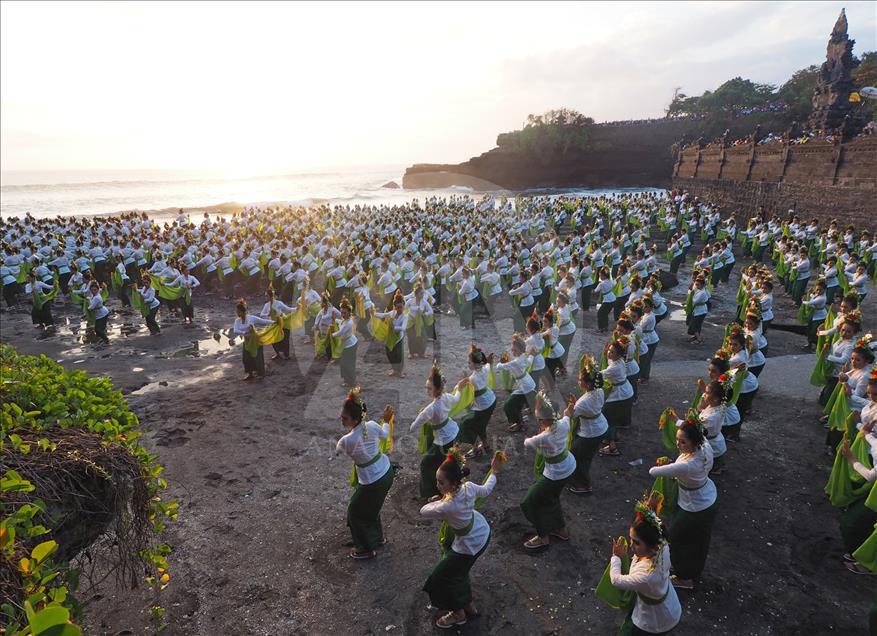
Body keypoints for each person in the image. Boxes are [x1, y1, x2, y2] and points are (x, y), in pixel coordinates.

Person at [420, 451, 504, 629]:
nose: (438, 485)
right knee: (459, 573)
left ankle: (458, 614)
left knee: (440, 579)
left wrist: (438, 500)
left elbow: (424, 511)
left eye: (441, 482)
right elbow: (487, 489)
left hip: (468, 545)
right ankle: (469, 607)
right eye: (437, 481)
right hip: (481, 531)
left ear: (453, 482)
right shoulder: (469, 487)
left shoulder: (448, 505)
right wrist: (494, 471)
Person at [648, 420, 718, 591]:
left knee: (676, 538)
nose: (678, 444)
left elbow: (653, 472)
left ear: (694, 441)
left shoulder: (688, 464)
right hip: (706, 496)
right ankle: (691, 569)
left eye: (682, 441)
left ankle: (685, 576)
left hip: (696, 506)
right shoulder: (705, 446)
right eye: (678, 439)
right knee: (698, 540)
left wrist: (664, 466)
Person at [608, 496, 682, 635]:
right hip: (667, 604)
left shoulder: (646, 576)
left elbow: (616, 580)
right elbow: (654, 526)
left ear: (652, 547)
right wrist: (651, 510)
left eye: (636, 542)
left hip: (654, 621)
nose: (631, 545)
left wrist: (616, 558)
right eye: (631, 539)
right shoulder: (661, 543)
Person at [335, 391, 394, 560]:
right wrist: (387, 420)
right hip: (387, 473)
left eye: (345, 418)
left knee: (355, 511)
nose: (342, 420)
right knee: (372, 508)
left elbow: (338, 451)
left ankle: (365, 548)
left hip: (371, 481)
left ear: (355, 419)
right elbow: (385, 432)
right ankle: (377, 538)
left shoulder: (346, 440)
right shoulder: (373, 425)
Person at [520, 391, 576, 550]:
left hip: (556, 473)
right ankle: (561, 530)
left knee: (529, 502)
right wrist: (569, 409)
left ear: (543, 420)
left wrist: (539, 431)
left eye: (538, 418)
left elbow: (527, 443)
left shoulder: (543, 438)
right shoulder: (563, 424)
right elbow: (567, 415)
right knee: (551, 497)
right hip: (569, 465)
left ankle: (543, 536)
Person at [409, 365, 465, 499]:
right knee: (445, 463)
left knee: (426, 464)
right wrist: (459, 387)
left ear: (438, 388)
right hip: (454, 431)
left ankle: (430, 493)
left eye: (429, 388)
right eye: (426, 387)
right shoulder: (446, 397)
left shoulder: (430, 409)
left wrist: (420, 415)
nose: (427, 390)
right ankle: (449, 486)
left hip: (443, 440)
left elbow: (413, 427)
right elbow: (456, 398)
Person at [568, 356, 607, 495]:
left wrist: (572, 405)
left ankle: (584, 485)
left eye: (580, 380)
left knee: (579, 457)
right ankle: (579, 480)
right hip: (600, 427)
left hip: (590, 433)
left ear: (588, 384)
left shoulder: (583, 401)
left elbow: (570, 416)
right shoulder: (599, 391)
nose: (578, 382)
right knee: (584, 455)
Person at [458, 344, 497, 459]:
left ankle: (475, 448)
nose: (468, 364)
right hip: (491, 400)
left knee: (466, 424)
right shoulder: (484, 368)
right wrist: (489, 361)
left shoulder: (472, 378)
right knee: (481, 424)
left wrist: (464, 380)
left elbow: (465, 391)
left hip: (483, 406)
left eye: (469, 362)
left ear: (475, 364)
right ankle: (486, 445)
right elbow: (488, 364)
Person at [493, 334, 536, 433]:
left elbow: (499, 367)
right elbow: (529, 362)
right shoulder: (523, 356)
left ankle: (520, 423)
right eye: (512, 350)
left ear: (521, 350)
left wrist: (500, 362)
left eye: (514, 350)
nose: (512, 352)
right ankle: (520, 421)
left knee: (508, 406)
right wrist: (532, 355)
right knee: (515, 404)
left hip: (525, 387)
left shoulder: (516, 361)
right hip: (528, 384)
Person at [600, 339, 634, 457]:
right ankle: (611, 437)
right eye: (609, 350)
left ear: (619, 355)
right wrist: (606, 353)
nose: (609, 353)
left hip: (620, 395)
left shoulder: (614, 368)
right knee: (612, 417)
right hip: (624, 391)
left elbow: (599, 374)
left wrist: (588, 367)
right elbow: (610, 361)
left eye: (612, 352)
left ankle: (612, 446)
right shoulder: (619, 361)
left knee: (606, 417)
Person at [232, 299, 276, 381]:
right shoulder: (237, 321)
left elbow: (263, 321)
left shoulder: (251, 318)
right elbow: (235, 330)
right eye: (236, 312)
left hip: (256, 340)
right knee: (246, 358)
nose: (237, 313)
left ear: (243, 311)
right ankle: (250, 374)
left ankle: (261, 373)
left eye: (239, 312)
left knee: (258, 357)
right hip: (247, 341)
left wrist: (274, 322)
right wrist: (245, 333)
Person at [373, 290, 409, 378]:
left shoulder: (405, 317)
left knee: (398, 355)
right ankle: (394, 369)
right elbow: (383, 315)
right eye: (397, 307)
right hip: (390, 337)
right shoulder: (392, 313)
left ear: (404, 306)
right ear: (394, 307)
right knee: (389, 353)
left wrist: (394, 327)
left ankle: (399, 372)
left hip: (398, 338)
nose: (399, 309)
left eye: (401, 307)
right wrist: (373, 313)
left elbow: (403, 328)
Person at [260, 286, 296, 361]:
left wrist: (298, 308)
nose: (265, 297)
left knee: (285, 338)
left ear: (270, 296)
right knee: (273, 339)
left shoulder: (279, 303)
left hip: (282, 322)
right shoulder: (266, 305)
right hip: (273, 324)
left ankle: (286, 355)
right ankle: (278, 354)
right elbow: (261, 315)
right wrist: (268, 314)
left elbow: (288, 309)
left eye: (266, 296)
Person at [335, 297, 358, 386]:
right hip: (347, 344)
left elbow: (340, 332)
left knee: (348, 363)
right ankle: (347, 380)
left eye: (344, 312)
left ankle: (351, 381)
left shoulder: (349, 323)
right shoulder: (346, 320)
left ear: (349, 312)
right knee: (344, 363)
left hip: (350, 346)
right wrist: (336, 320)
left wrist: (331, 334)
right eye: (341, 312)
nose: (342, 314)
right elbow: (341, 322)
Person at [687, 275, 709, 345]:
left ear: (702, 285)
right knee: (698, 325)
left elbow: (694, 301)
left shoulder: (702, 293)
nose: (696, 286)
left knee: (694, 325)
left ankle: (699, 339)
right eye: (696, 284)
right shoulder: (703, 289)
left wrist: (690, 293)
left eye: (698, 285)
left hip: (700, 311)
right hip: (701, 310)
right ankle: (696, 337)